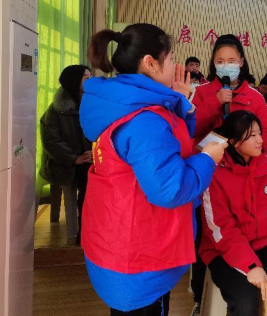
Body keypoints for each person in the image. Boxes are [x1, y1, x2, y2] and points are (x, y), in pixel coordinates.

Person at [80, 24, 226, 315]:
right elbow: (170, 188)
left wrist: (180, 101)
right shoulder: (146, 119)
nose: (174, 66)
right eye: (170, 59)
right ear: (150, 62)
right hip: (139, 255)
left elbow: (167, 147)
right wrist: (208, 158)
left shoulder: (124, 101)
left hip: (116, 239)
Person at [199, 111, 267, 316]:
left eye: (260, 133)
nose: (260, 140)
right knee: (245, 301)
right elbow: (221, 228)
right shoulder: (214, 173)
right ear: (234, 142)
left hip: (262, 242)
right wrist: (250, 266)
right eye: (252, 136)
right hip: (222, 250)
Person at [192, 34, 267, 156]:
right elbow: (192, 129)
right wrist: (215, 102)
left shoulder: (256, 98)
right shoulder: (201, 92)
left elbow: (263, 137)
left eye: (231, 61)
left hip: (244, 163)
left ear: (241, 62)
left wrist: (265, 164)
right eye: (220, 61)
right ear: (214, 63)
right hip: (209, 162)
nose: (226, 66)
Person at [40, 65, 92, 244]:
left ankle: (91, 226)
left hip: (86, 157)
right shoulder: (55, 111)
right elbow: (50, 142)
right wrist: (74, 158)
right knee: (87, 181)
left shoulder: (90, 103)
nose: (90, 80)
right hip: (62, 163)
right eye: (86, 77)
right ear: (73, 81)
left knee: (100, 178)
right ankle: (81, 232)